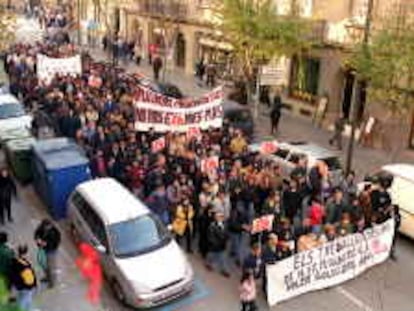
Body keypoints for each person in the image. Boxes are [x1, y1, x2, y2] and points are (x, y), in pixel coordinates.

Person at [34, 219, 61, 288]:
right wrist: (37, 240)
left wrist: (46, 244)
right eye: (44, 227)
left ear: (50, 226)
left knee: (51, 266)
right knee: (43, 264)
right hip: (43, 250)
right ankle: (47, 277)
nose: (45, 228)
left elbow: (56, 242)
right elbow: (36, 234)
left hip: (51, 251)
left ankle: (52, 282)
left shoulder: (55, 232)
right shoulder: (41, 228)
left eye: (47, 227)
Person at [10, 245, 37, 311]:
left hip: (20, 286)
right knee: (26, 300)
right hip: (26, 286)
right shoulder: (25, 264)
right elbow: (31, 275)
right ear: (25, 253)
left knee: (22, 299)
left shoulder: (15, 262)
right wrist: (34, 284)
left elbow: (13, 275)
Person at [205, 212, 230, 277]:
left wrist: (226, 239)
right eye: (219, 217)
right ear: (216, 218)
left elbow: (226, 233)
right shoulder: (212, 225)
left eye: (222, 216)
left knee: (223, 258)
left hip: (222, 246)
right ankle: (208, 264)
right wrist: (215, 243)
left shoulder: (225, 224)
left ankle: (224, 270)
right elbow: (210, 236)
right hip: (214, 246)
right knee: (211, 256)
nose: (221, 218)